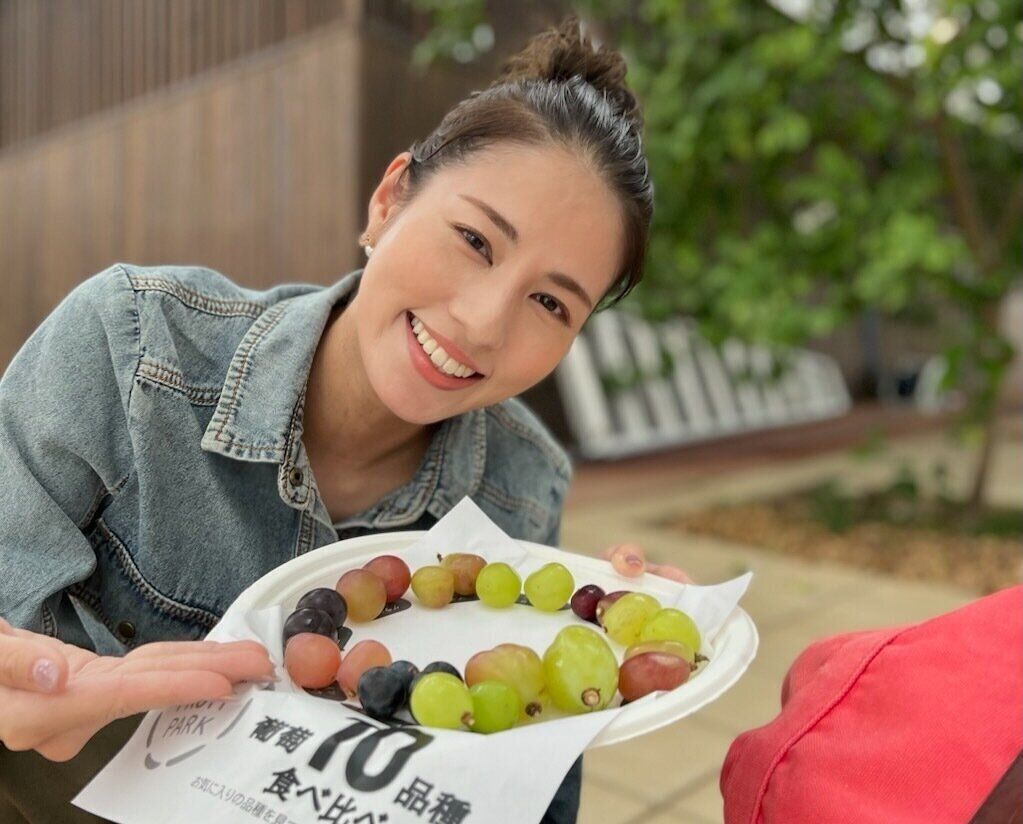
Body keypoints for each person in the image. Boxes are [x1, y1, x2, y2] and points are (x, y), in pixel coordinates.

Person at [0, 17, 689, 824]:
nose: (481, 323)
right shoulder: (129, 348)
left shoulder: (523, 482)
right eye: (474, 240)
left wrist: (609, 649)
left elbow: (515, 787)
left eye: (549, 302)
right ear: (389, 200)